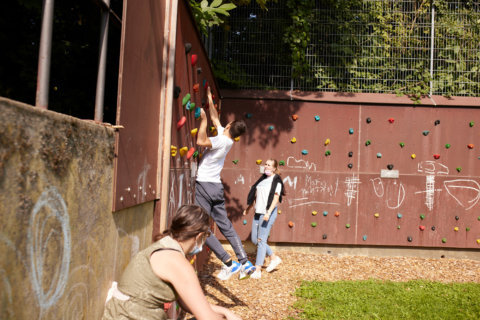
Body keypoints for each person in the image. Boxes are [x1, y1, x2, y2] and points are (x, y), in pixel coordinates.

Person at [102, 204, 242, 320]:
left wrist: (225, 311)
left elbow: (189, 303)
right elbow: (207, 318)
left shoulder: (162, 246)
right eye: (205, 237)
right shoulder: (177, 263)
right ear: (199, 236)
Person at [195, 86, 255, 280]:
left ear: (229, 126)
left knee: (201, 227)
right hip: (216, 188)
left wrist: (203, 121)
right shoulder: (227, 138)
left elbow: (201, 142)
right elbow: (215, 118)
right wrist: (209, 99)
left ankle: (228, 263)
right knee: (225, 225)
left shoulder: (220, 141)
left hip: (205, 186)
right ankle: (245, 261)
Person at [243, 159, 285, 279]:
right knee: (255, 240)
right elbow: (256, 197)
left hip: (267, 213)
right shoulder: (262, 180)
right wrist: (249, 208)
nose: (266, 166)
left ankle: (258, 269)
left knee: (261, 240)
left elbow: (276, 199)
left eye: (269, 165)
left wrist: (268, 212)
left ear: (274, 168)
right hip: (258, 212)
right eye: (265, 164)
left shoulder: (276, 181)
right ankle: (273, 257)